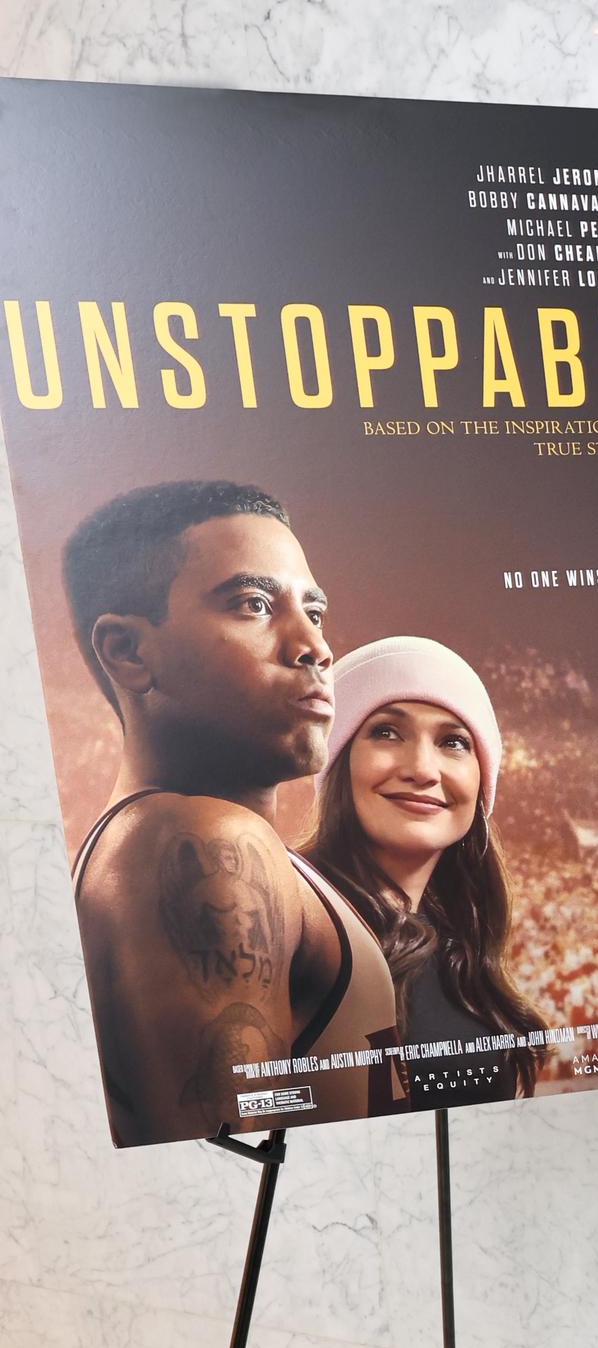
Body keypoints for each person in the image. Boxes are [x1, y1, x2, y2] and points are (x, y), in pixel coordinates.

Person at [61, 480, 399, 1145]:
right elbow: (228, 1173)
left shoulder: (216, 842)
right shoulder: (204, 842)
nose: (314, 647)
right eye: (252, 604)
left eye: (315, 611)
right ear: (128, 652)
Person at [304, 636, 545, 1106]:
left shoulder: (462, 949)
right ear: (336, 760)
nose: (422, 769)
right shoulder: (289, 917)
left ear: (481, 781)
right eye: (387, 733)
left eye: (453, 742)